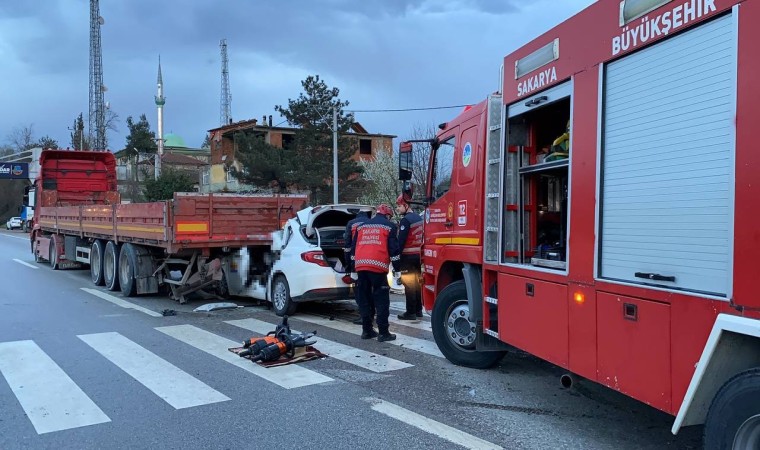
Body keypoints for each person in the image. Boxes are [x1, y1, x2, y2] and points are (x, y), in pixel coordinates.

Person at [352, 203, 400, 342]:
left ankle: (366, 331)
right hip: (378, 268)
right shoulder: (389, 226)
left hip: (361, 267)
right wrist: (397, 269)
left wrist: (353, 268)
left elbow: (353, 248)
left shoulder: (361, 227)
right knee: (381, 300)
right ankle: (383, 332)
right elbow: (394, 250)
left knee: (365, 299)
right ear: (388, 216)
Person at [394, 195, 424, 321]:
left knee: (409, 284)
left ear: (406, 206)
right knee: (417, 284)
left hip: (407, 257)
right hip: (418, 256)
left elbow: (401, 242)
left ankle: (410, 312)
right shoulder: (418, 218)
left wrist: (396, 258)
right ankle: (418, 310)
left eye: (399, 206)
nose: (397, 208)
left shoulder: (406, 221)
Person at [343, 209, 372, 325]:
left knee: (359, 290)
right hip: (372, 260)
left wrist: (348, 267)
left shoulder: (351, 223)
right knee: (370, 289)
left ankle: (363, 315)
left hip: (357, 261)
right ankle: (371, 312)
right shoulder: (372, 223)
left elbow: (348, 246)